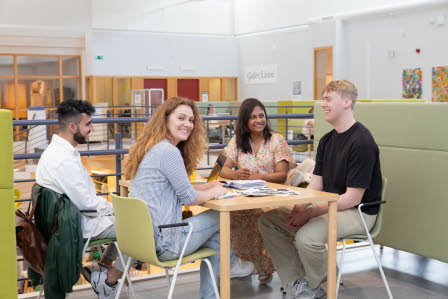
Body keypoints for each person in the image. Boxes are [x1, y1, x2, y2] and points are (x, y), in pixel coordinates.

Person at [95, 97, 254, 299]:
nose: (187, 124)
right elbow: (188, 198)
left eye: (191, 120)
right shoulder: (169, 152)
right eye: (181, 118)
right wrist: (216, 192)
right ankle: (231, 265)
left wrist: (206, 186)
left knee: (215, 239)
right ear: (166, 119)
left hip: (142, 241)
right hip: (164, 243)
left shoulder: (152, 148)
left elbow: (173, 189)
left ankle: (214, 292)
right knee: (218, 217)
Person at [259, 80, 382, 298]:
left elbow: (352, 198)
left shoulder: (362, 142)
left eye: (327, 99)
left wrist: (310, 212)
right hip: (330, 205)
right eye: (322, 99)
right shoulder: (326, 140)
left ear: (347, 102)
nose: (322, 104)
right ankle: (302, 280)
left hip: (357, 212)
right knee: (269, 221)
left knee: (307, 236)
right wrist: (299, 208)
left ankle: (319, 280)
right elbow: (317, 183)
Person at [35, 99, 128, 295]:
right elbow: (88, 205)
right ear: (72, 126)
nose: (93, 129)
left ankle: (102, 266)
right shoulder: (64, 160)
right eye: (88, 124)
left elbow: (85, 201)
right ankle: (107, 281)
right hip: (76, 225)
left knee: (129, 221)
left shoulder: (57, 152)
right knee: (137, 228)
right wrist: (116, 209)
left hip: (68, 220)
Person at [220, 98, 296, 284]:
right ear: (245, 120)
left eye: (261, 115)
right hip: (245, 197)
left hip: (271, 197)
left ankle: (264, 267)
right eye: (253, 117)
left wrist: (258, 177)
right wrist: (236, 174)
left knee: (259, 215)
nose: (258, 120)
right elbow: (223, 170)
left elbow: (281, 175)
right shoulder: (238, 140)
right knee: (230, 215)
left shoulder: (277, 140)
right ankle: (243, 265)